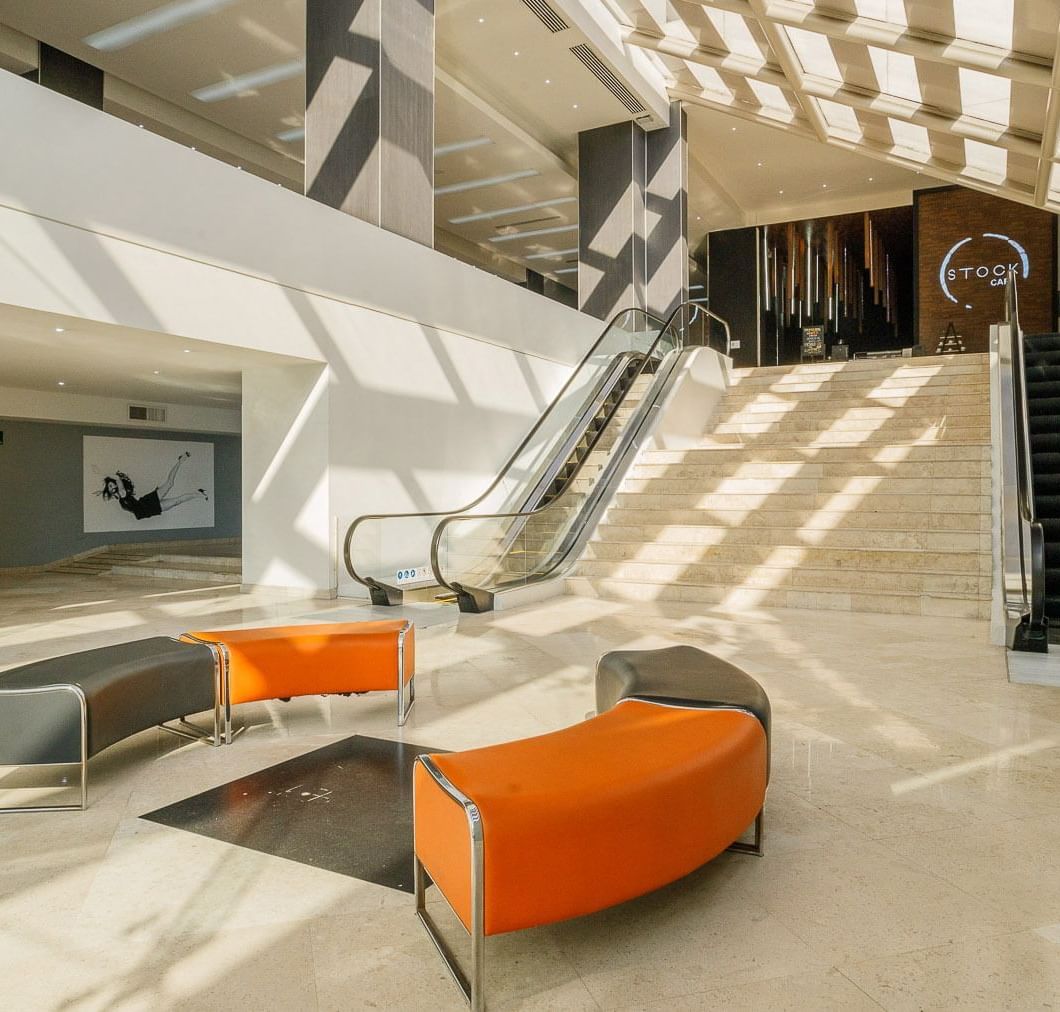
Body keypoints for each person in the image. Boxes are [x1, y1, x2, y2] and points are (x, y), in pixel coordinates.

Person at [98, 451, 208, 520]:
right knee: (176, 501)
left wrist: (101, 473)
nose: (112, 488)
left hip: (147, 504)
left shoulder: (122, 493)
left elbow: (117, 479)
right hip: (149, 510)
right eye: (110, 487)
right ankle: (198, 493)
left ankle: (180, 460)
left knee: (170, 484)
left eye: (112, 485)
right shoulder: (120, 498)